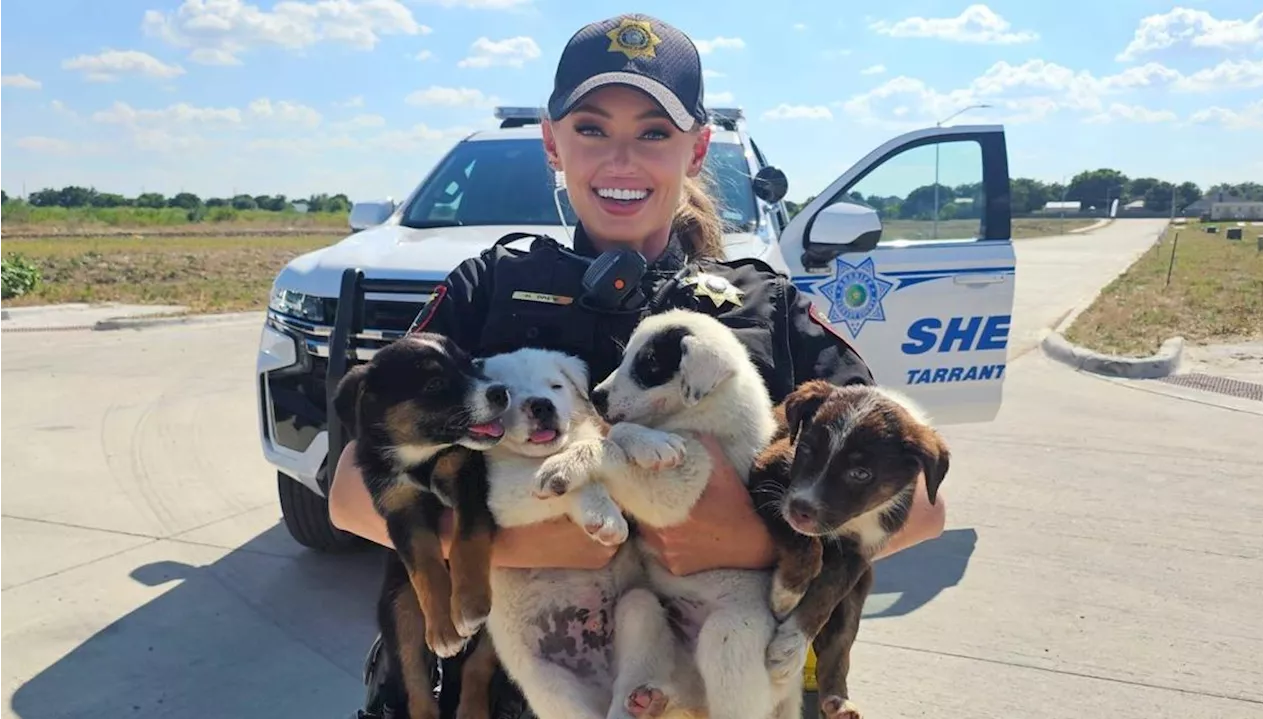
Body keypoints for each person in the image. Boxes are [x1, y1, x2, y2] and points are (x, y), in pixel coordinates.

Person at [329, 12, 947, 719]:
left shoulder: (762, 305)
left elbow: (922, 505)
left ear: (698, 147)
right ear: (552, 143)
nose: (621, 161)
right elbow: (351, 493)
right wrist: (559, 539)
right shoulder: (486, 289)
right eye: (591, 128)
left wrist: (744, 539)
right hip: (505, 688)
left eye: (654, 132)